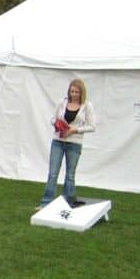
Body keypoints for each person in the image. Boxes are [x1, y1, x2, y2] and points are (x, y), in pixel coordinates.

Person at [39, 79, 96, 208]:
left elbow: (92, 126)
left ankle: (67, 204)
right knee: (53, 173)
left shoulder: (87, 106)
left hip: (74, 143)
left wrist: (75, 130)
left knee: (70, 175)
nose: (74, 94)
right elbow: (52, 119)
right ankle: (45, 203)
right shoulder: (62, 102)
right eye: (72, 91)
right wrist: (57, 124)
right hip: (58, 141)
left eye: (76, 92)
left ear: (82, 93)